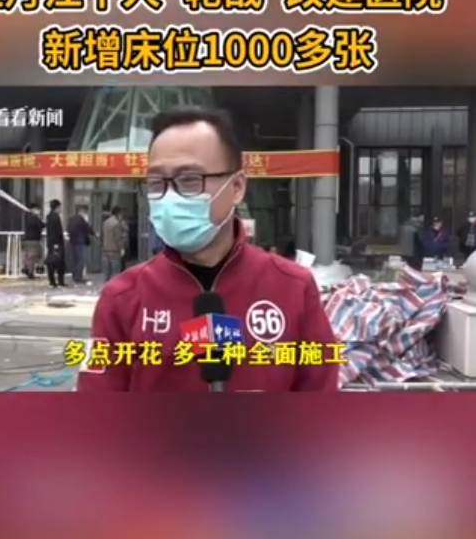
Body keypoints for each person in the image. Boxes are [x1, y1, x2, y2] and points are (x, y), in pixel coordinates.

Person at [78, 106, 338, 393]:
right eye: (156, 182)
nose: (169, 197)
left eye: (190, 180)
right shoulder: (121, 298)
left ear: (236, 187)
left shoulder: (293, 288)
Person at [67, 207, 95, 284]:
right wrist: (94, 234)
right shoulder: (81, 219)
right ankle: (78, 277)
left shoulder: (71, 219)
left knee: (75, 260)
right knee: (81, 260)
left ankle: (74, 276)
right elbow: (88, 228)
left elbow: (68, 229)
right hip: (81, 242)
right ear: (82, 212)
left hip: (73, 241)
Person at [101, 206, 128, 282]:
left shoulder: (105, 222)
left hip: (105, 250)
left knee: (107, 273)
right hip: (114, 251)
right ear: (118, 214)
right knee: (115, 272)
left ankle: (106, 287)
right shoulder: (116, 224)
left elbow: (102, 236)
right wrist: (122, 248)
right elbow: (118, 238)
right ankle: (114, 287)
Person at [45, 199, 66, 288]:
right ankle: (59, 281)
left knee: (53, 262)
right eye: (60, 207)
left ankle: (53, 281)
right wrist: (56, 244)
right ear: (57, 207)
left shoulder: (49, 216)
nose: (60, 209)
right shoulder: (55, 217)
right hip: (56, 243)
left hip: (51, 243)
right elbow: (56, 231)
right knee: (58, 262)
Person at [22, 203, 44, 279]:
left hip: (28, 240)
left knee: (30, 256)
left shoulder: (28, 218)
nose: (39, 211)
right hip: (33, 241)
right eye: (37, 209)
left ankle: (26, 268)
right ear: (33, 210)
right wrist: (40, 219)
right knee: (33, 256)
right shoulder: (34, 218)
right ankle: (30, 271)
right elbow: (41, 225)